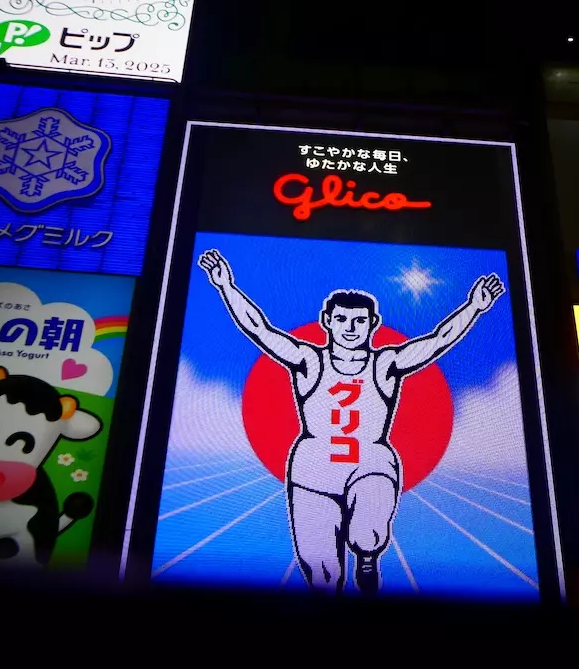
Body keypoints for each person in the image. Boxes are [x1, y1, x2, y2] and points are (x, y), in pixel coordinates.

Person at [198, 248, 504, 594]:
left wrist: (474, 307)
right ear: (327, 320)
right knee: (321, 574)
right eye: (342, 320)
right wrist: (226, 286)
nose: (350, 328)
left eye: (359, 321)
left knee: (366, 529)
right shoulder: (308, 360)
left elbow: (437, 341)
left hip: (371, 462)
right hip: (313, 468)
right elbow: (260, 329)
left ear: (372, 324)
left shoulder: (385, 364)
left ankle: (368, 556)